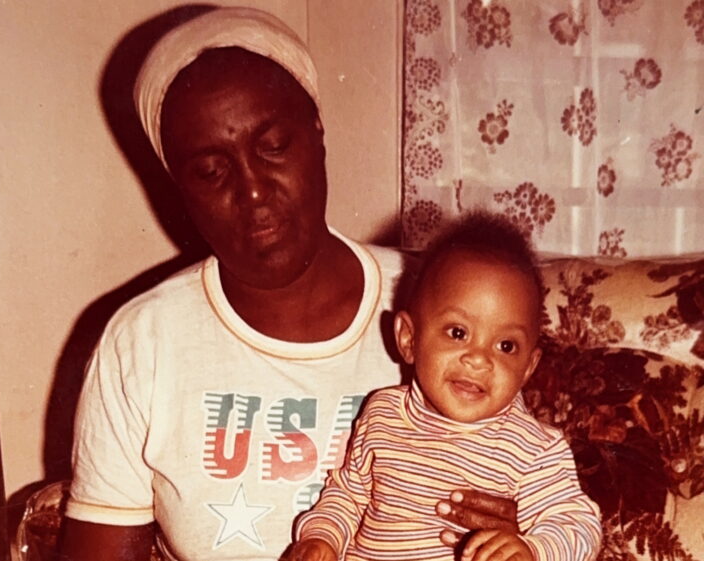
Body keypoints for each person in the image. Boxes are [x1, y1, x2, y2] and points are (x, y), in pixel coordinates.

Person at [57, 8, 522, 561]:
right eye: (211, 171)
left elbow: (525, 472)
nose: (252, 191)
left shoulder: (443, 305)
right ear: (179, 189)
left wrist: (512, 528)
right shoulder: (144, 340)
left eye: (274, 145)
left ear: (318, 135)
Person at [288, 212, 603, 561]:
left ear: (528, 367)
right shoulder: (382, 414)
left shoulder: (533, 449)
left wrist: (535, 550)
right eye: (458, 333)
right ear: (408, 339)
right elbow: (347, 494)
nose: (479, 359)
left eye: (506, 346)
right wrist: (322, 539)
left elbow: (577, 523)